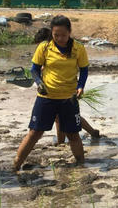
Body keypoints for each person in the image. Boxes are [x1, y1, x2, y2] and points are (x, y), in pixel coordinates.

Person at [13, 15, 89, 171]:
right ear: (52, 33)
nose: (60, 38)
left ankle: (82, 166)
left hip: (69, 98)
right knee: (35, 133)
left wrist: (81, 86)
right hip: (46, 97)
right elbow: (34, 70)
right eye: (56, 35)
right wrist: (39, 83)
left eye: (63, 35)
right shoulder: (44, 47)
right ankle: (15, 165)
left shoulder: (78, 48)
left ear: (70, 32)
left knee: (73, 134)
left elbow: (84, 70)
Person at [34, 28, 100, 144]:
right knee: (68, 117)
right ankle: (92, 132)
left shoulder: (70, 48)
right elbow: (37, 69)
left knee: (60, 118)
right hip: (54, 90)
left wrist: (80, 86)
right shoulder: (47, 49)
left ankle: (61, 142)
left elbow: (81, 69)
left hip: (64, 90)